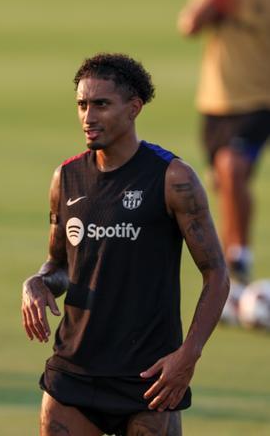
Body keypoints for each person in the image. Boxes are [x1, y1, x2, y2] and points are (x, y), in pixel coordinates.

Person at [21, 53, 229, 435]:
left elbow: (216, 273)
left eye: (101, 104)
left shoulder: (172, 178)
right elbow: (60, 266)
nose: (88, 116)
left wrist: (189, 354)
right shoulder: (66, 178)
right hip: (75, 370)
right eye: (82, 105)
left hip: (149, 376)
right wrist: (36, 282)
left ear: (134, 108)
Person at [177, 0, 270, 287]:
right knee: (223, 183)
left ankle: (239, 255)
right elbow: (189, 26)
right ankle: (229, 275)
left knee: (232, 167)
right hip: (215, 102)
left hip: (258, 101)